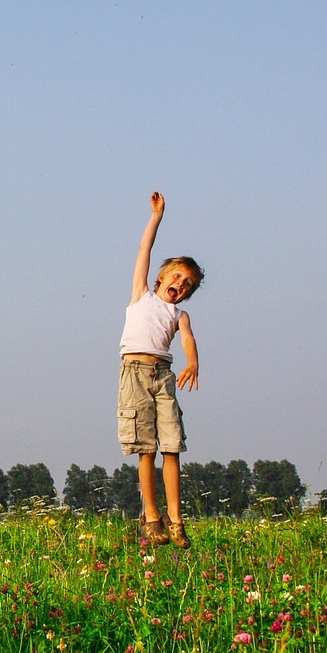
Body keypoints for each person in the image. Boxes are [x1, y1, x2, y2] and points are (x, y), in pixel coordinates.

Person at [118, 191, 203, 548]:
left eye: (187, 286)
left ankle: (176, 519)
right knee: (146, 448)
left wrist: (193, 362)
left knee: (172, 447)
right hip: (135, 371)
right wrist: (156, 217)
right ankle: (151, 518)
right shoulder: (141, 295)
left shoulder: (179, 315)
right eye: (178, 278)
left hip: (163, 377)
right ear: (161, 277)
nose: (180, 286)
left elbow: (186, 339)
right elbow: (144, 251)